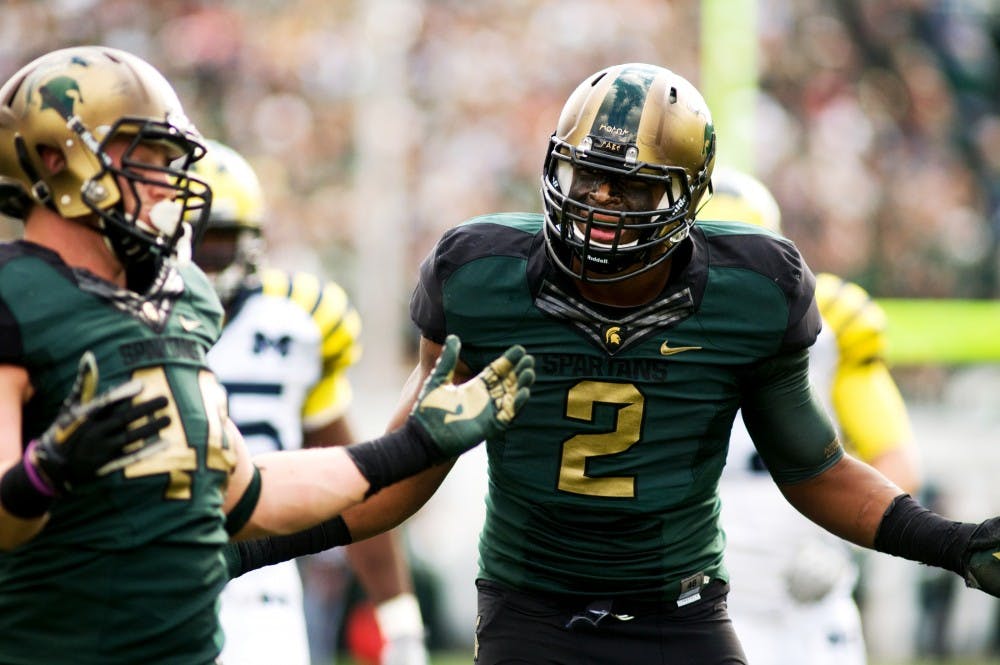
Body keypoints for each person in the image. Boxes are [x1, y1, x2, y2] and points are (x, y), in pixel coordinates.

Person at [223, 62, 1000, 664]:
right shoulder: (479, 275)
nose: (595, 202)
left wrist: (951, 543)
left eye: (626, 187)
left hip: (681, 612)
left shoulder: (754, 291)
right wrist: (249, 551)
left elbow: (817, 470)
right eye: (582, 174)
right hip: (530, 612)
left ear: (686, 197)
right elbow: (397, 475)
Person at [0, 45, 534, 665]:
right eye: (144, 160)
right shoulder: (15, 296)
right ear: (53, 159)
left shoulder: (181, 299)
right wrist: (49, 470)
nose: (165, 186)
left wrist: (415, 443)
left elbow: (242, 494)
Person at [189, 140, 430, 665]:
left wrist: (398, 620)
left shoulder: (297, 322)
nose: (203, 261)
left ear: (251, 242)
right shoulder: (124, 318)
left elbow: (352, 480)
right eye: (191, 242)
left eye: (218, 241)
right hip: (161, 575)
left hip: (262, 591)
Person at [702, 167, 922, 665]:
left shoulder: (833, 324)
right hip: (697, 587)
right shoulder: (646, 324)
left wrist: (846, 545)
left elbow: (894, 456)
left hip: (804, 584)